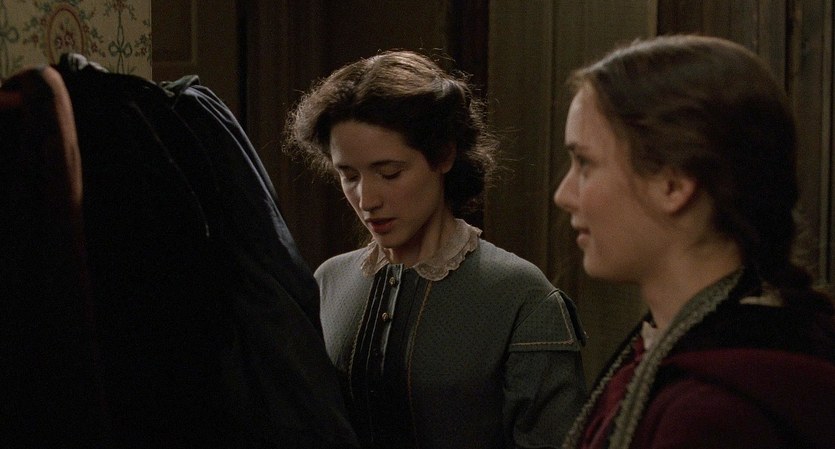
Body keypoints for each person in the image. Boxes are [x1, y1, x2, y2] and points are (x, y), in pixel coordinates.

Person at [284, 50, 587, 449]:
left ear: (443, 155)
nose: (366, 199)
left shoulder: (522, 298)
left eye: (389, 172)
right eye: (349, 176)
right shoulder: (329, 281)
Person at [553, 35, 835, 449]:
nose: (563, 194)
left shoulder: (717, 413)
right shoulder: (670, 356)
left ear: (673, 184)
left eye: (585, 163)